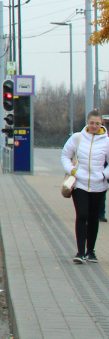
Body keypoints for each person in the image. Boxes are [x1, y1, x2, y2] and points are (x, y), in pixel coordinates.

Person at [62, 110, 109, 263]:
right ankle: (80, 252)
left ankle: (90, 251)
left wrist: (104, 175)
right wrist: (72, 170)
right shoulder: (78, 137)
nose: (94, 126)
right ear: (87, 123)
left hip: (98, 185)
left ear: (101, 124)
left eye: (97, 123)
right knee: (82, 215)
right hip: (80, 183)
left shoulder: (106, 141)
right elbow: (65, 155)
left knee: (93, 218)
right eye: (92, 123)